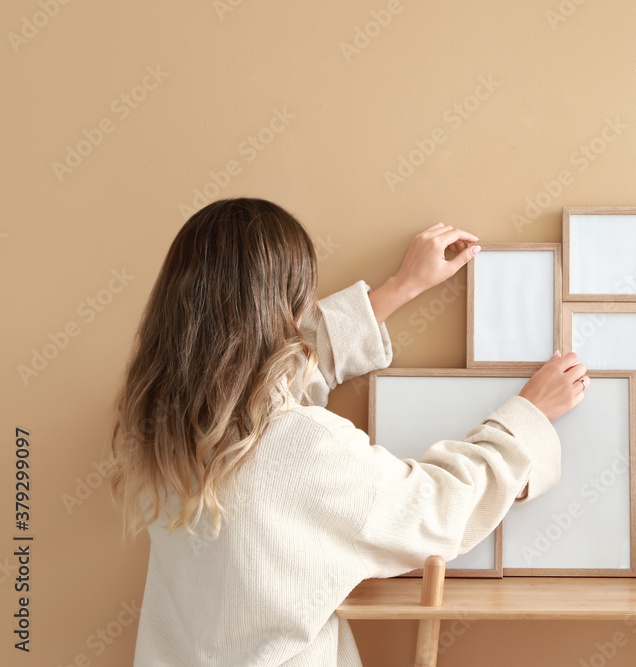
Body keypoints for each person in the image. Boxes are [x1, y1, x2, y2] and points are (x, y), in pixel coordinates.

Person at [106, 198, 589, 666]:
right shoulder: (305, 447)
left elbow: (259, 384)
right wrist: (526, 417)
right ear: (283, 309)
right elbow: (437, 510)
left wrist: (400, 288)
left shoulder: (159, 427)